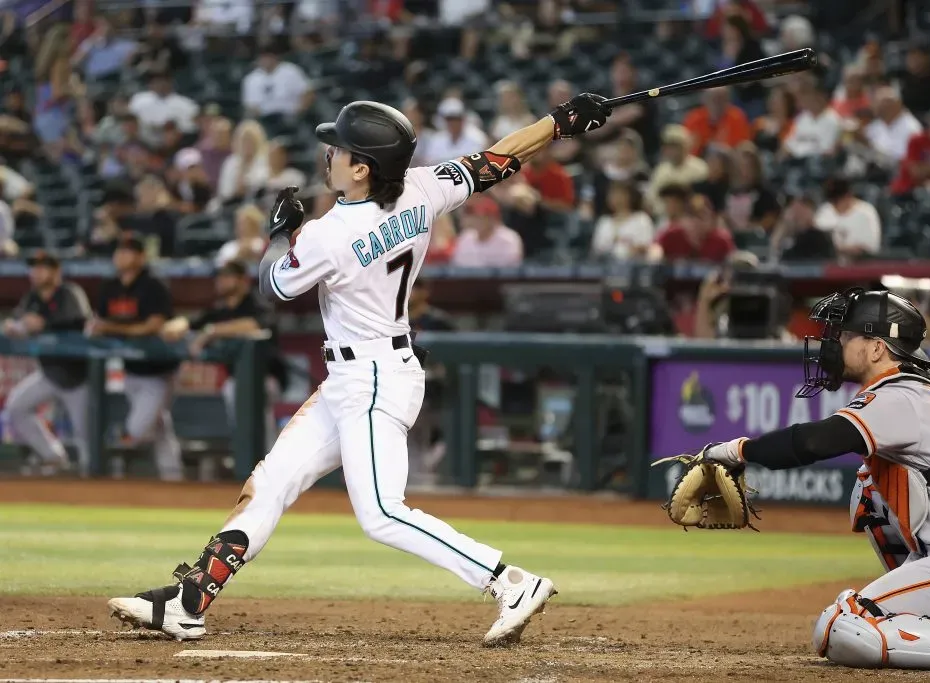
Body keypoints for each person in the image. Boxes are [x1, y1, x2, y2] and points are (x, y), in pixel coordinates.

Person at [108, 91, 614, 645]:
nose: (329, 156)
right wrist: (559, 123)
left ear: (363, 167)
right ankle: (190, 600)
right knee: (272, 481)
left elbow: (270, 282)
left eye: (339, 149)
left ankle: (506, 580)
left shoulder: (330, 234)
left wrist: (280, 233)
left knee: (379, 514)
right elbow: (499, 159)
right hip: (362, 376)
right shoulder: (421, 188)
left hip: (373, 379)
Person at [661, 287, 930, 676]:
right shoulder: (917, 387)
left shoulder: (902, 396)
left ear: (876, 349)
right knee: (869, 487)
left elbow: (813, 442)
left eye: (846, 334)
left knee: (845, 625)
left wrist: (734, 451)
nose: (833, 342)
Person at [161, 259, 286, 452]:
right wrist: (178, 324)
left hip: (266, 378)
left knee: (257, 419)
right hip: (236, 379)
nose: (221, 281)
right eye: (220, 277)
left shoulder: (257, 303)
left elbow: (255, 324)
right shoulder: (220, 310)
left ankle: (267, 459)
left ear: (243, 280)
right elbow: (193, 324)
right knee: (241, 415)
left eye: (227, 277)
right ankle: (255, 459)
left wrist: (212, 331)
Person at [88, 234, 182, 481]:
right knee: (159, 426)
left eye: (129, 251)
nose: (122, 255)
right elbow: (100, 323)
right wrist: (105, 328)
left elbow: (153, 325)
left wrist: (112, 328)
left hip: (159, 371)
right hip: (131, 370)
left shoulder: (153, 285)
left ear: (141, 256)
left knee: (136, 431)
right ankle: (173, 476)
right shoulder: (110, 287)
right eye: (119, 250)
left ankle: (113, 471)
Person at [2, 251, 92, 476]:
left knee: (86, 435)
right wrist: (15, 325)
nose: (37, 272)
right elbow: (18, 319)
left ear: (56, 272)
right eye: (34, 267)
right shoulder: (32, 297)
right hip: (50, 373)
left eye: (43, 267)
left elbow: (76, 319)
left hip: (80, 377)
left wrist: (43, 323)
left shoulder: (70, 293)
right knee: (16, 408)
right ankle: (53, 456)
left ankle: (96, 483)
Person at [814, 177, 881, 261]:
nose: (834, 204)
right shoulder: (825, 210)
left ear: (848, 195)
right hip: (829, 266)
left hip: (859, 268)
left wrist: (837, 248)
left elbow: (867, 250)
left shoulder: (866, 212)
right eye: (832, 201)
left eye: (837, 200)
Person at [451, 195, 523, 268]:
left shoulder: (508, 238)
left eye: (481, 217)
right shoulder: (466, 237)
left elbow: (509, 270)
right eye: (474, 216)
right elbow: (458, 267)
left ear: (493, 218)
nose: (476, 220)